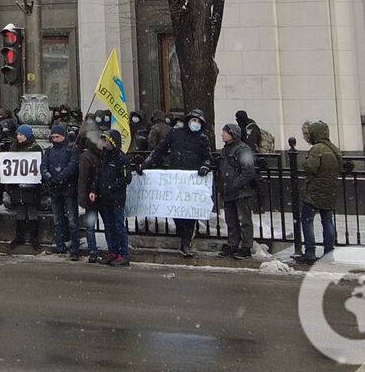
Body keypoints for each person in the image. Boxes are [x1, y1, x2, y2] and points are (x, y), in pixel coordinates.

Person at [143, 108, 214, 257]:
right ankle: (183, 235)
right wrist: (145, 165)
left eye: (198, 121)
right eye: (193, 120)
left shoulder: (202, 139)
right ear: (188, 121)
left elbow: (208, 157)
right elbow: (159, 150)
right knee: (177, 210)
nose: (195, 123)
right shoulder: (176, 134)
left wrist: (205, 166)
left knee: (190, 213)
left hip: (193, 182)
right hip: (176, 181)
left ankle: (186, 242)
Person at [294, 120, 340, 263]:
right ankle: (329, 253)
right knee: (327, 221)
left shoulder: (317, 149)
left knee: (307, 221)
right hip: (329, 190)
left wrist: (305, 162)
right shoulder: (333, 148)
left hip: (315, 191)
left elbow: (312, 168)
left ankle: (310, 253)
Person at [85, 128, 131, 265]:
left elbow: (126, 178)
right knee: (109, 226)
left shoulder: (121, 158)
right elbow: (99, 175)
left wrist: (112, 187)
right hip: (105, 198)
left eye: (107, 140)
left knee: (118, 227)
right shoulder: (105, 156)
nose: (105, 143)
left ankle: (123, 254)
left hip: (116, 198)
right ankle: (113, 251)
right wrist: (94, 189)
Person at [216, 122, 259, 258]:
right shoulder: (225, 150)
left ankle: (246, 246)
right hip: (228, 190)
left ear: (232, 134)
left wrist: (236, 184)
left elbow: (248, 171)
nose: (222, 134)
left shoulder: (243, 149)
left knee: (244, 220)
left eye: (225, 132)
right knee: (231, 220)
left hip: (240, 191)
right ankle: (233, 244)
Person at [41, 125, 82, 259]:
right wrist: (49, 178)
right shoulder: (49, 151)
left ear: (63, 136)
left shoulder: (71, 150)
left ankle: (74, 247)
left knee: (72, 220)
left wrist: (59, 178)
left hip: (68, 189)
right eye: (53, 137)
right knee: (57, 219)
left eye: (57, 137)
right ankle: (60, 244)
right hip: (54, 190)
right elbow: (43, 166)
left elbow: (71, 167)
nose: (55, 139)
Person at [2, 124, 43, 249]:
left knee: (31, 210)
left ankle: (33, 237)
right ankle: (20, 236)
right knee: (20, 210)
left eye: (21, 135)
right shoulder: (14, 147)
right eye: (18, 134)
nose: (19, 137)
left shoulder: (35, 148)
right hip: (17, 186)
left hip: (30, 186)